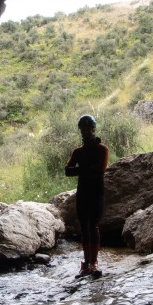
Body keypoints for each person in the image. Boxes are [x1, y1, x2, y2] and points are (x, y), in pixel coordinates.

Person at [65, 115, 109, 277]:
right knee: (84, 227)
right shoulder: (78, 151)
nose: (85, 131)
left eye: (87, 128)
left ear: (93, 129)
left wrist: (81, 169)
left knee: (93, 226)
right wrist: (86, 169)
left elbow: (100, 169)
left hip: (97, 192)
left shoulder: (102, 149)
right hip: (84, 192)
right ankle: (86, 263)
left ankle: (94, 262)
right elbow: (67, 171)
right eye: (82, 129)